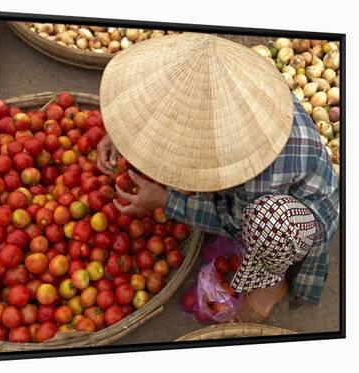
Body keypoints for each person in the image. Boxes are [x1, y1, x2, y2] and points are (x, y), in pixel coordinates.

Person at [96, 33, 339, 308]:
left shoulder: (259, 177)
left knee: (268, 224)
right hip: (262, 179)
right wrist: (120, 134)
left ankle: (274, 277)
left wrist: (166, 201)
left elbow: (235, 224)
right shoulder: (247, 89)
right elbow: (158, 107)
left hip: (296, 212)